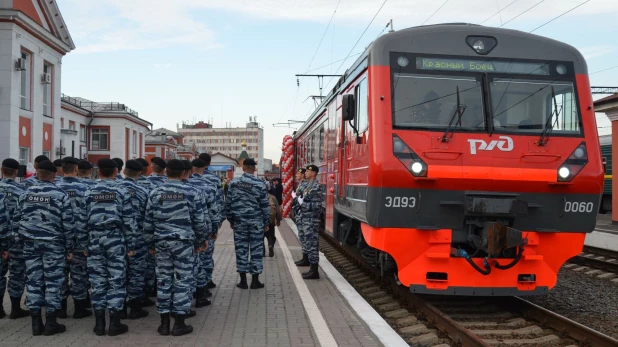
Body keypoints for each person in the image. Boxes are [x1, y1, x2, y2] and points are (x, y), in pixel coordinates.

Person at [143, 159, 206, 337]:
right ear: (183, 173)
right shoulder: (192, 192)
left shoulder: (155, 193)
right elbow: (199, 221)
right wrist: (200, 242)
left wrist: (150, 243)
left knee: (163, 281)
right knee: (183, 281)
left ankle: (164, 325)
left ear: (166, 172)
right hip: (184, 244)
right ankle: (179, 324)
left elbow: (148, 221)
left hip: (161, 243)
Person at [13, 160, 74, 336]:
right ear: (54, 175)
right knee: (53, 283)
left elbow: (16, 221)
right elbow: (68, 225)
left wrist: (19, 241)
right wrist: (69, 248)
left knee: (33, 282)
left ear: (37, 174)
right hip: (53, 245)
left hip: (30, 245)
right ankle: (51, 323)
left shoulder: (24, 194)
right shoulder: (60, 195)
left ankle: (36, 323)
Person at [84, 158, 136, 336]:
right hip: (115, 239)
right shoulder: (122, 191)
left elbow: (81, 220)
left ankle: (99, 324)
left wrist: (84, 244)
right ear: (116, 171)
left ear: (98, 172)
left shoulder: (88, 191)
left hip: (94, 239)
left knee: (97, 281)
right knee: (116, 280)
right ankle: (114, 324)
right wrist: (131, 245)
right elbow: (129, 220)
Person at [225, 158, 270, 289]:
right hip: (256, 223)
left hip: (239, 223)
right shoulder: (260, 184)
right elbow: (265, 206)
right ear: (254, 169)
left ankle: (243, 281)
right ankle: (255, 281)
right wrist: (266, 222)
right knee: (256, 251)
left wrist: (231, 220)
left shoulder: (234, 183)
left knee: (241, 250)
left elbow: (228, 204)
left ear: (243, 168)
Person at [56, 157, 92, 319]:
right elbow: (90, 216)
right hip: (79, 238)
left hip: (58, 239)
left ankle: (61, 309)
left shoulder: (54, 188)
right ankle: (79, 309)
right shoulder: (86, 189)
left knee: (59, 274)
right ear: (76, 169)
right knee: (79, 274)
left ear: (62, 170)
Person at [116, 160, 151, 319]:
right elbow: (148, 217)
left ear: (124, 172)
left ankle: (119, 308)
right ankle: (136, 308)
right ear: (139, 174)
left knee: (117, 273)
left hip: (115, 239)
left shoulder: (114, 189)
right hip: (138, 239)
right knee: (136, 273)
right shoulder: (143, 192)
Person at [0, 158, 30, 319]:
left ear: (1, 169)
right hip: (16, 239)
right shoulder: (22, 192)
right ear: (17, 171)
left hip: (1, 238)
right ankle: (15, 308)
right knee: (17, 273)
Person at [187, 159, 217, 306]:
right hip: (200, 233)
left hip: (170, 237)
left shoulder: (159, 191)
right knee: (202, 261)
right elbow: (212, 211)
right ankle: (201, 293)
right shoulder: (208, 186)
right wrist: (213, 230)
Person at [198, 153, 224, 290]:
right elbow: (219, 203)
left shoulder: (185, 181)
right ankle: (206, 281)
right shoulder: (213, 180)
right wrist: (218, 222)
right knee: (207, 254)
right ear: (208, 164)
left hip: (190, 228)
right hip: (207, 225)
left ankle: (196, 286)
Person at [298, 164, 323, 280]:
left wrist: (302, 203)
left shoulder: (316, 187)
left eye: (308, 172)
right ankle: (311, 269)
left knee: (313, 245)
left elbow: (317, 206)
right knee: (308, 243)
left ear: (313, 174)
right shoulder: (309, 186)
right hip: (306, 218)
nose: (306, 173)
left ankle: (314, 271)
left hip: (312, 220)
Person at [292, 168, 309, 266]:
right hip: (299, 213)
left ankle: (306, 259)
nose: (296, 175)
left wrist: (296, 198)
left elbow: (303, 199)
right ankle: (304, 258)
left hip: (303, 214)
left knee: (304, 237)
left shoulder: (305, 185)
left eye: (298, 173)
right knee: (302, 236)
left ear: (302, 175)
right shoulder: (301, 185)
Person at [265, 191, 281, 257]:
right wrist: (278, 219)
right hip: (270, 220)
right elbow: (277, 209)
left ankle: (262, 251)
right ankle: (270, 245)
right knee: (271, 235)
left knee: (260, 237)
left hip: (260, 220)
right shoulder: (272, 197)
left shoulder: (257, 196)